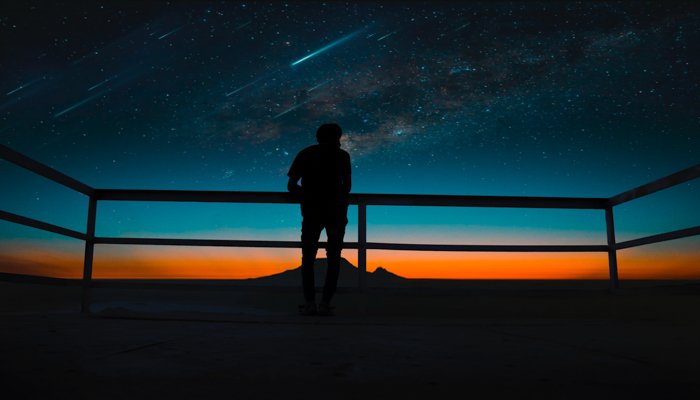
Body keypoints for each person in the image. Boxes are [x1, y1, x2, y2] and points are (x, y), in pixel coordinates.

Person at [287, 123, 351, 316]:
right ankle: (325, 303)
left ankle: (309, 303)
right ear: (338, 137)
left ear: (317, 137)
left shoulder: (305, 154)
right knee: (334, 258)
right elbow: (347, 186)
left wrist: (308, 195)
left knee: (308, 258)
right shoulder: (342, 156)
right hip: (337, 213)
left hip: (311, 212)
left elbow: (291, 186)